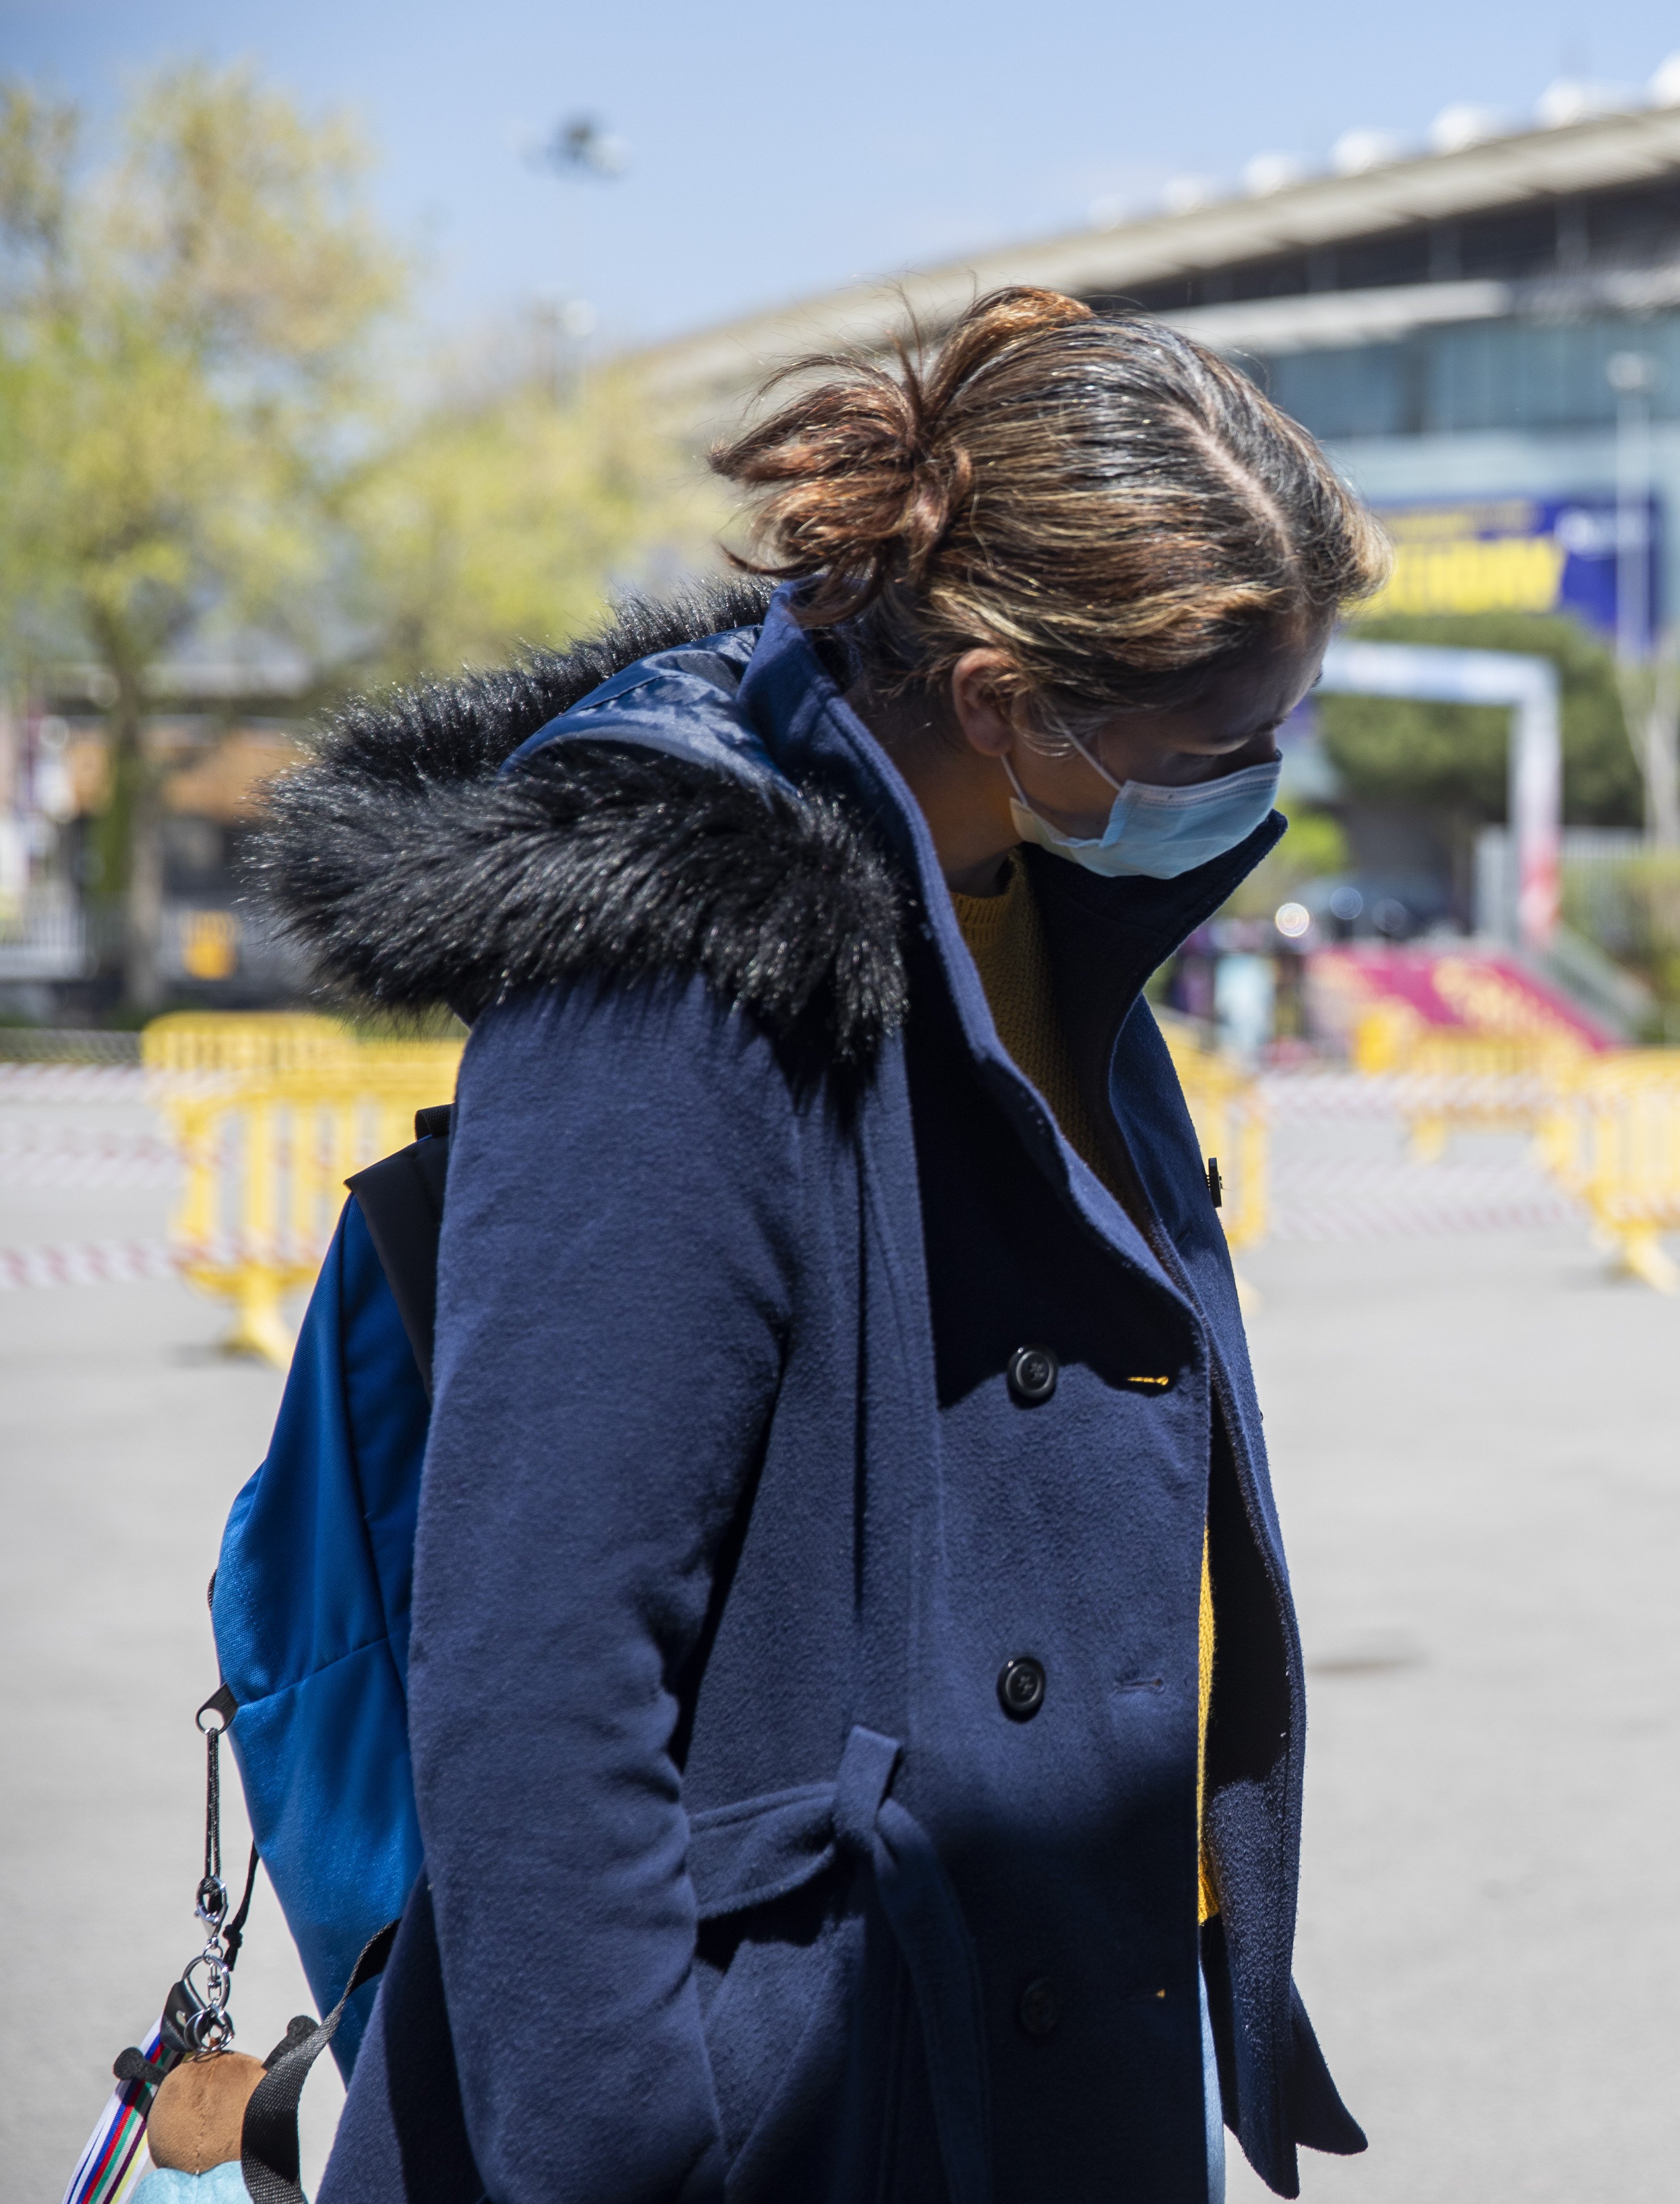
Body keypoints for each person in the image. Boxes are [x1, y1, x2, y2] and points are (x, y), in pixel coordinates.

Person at [252, 289, 1387, 2200]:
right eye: (1227, 735)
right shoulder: (683, 958)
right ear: (1004, 697)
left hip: (1032, 2014)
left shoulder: (1039, 894)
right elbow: (542, 1653)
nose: (1262, 777)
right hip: (787, 2087)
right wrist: (637, 2147)